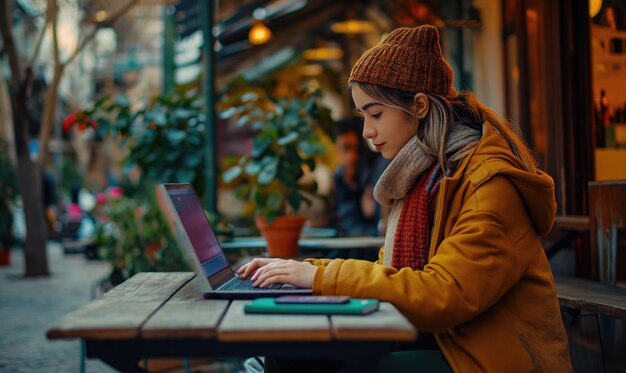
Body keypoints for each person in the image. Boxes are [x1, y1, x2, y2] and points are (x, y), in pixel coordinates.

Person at [238, 25, 572, 372]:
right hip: (446, 342)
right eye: (363, 116)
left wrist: (320, 277)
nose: (367, 132)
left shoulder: (487, 182)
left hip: (486, 359)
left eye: (375, 114)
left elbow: (444, 294)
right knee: (290, 355)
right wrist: (303, 270)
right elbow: (393, 273)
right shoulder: (426, 178)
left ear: (420, 106)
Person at [333, 117, 383, 236]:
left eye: (353, 148)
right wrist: (351, 189)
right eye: (343, 150)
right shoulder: (341, 176)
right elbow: (349, 226)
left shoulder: (378, 168)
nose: (349, 157)